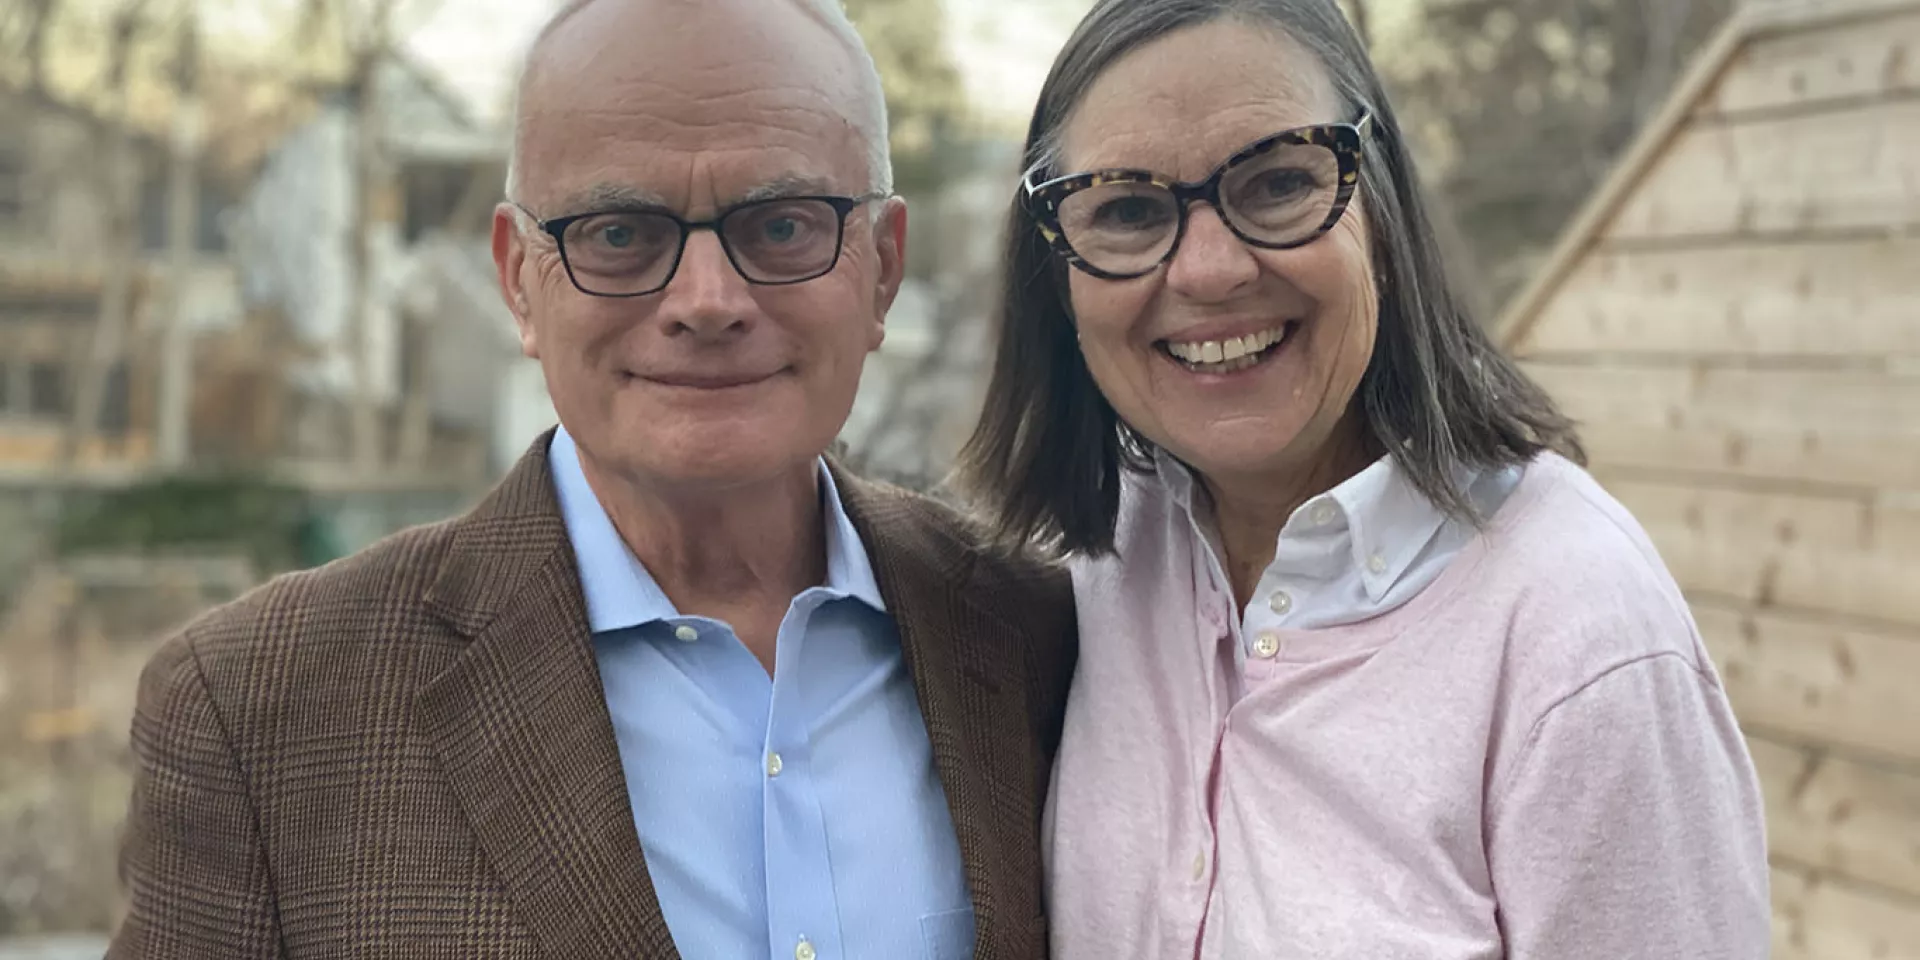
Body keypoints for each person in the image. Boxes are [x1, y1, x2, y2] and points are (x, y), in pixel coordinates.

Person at [109, 0, 1076, 957]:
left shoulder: (1036, 633)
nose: (707, 302)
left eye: (782, 228)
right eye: (619, 235)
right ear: (518, 280)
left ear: (883, 269)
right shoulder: (259, 712)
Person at [958, 1, 1770, 957]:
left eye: (1278, 183)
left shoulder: (1579, 642)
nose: (1212, 270)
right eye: (1128, 211)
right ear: (1053, 274)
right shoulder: (1092, 565)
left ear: (1381, 210)